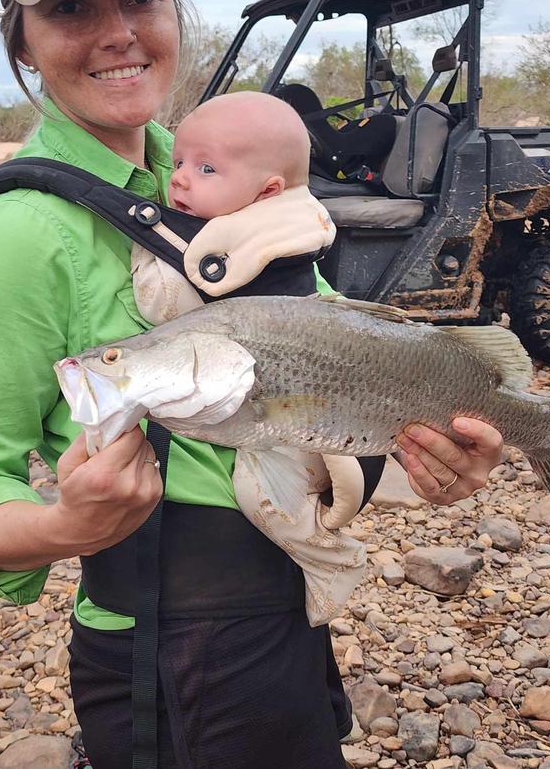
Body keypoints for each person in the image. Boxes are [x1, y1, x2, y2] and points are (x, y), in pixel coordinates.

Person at [0, 0, 505, 768]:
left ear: (174, 7)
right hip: (164, 651)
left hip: (281, 619)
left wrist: (422, 456)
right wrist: (63, 524)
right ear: (21, 40)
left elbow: (328, 364)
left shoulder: (224, 176)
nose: (118, 34)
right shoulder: (20, 237)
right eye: (71, 7)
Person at [131, 89, 371, 627]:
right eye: (179, 163)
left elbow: (169, 303)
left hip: (285, 415)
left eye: (206, 168)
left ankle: (328, 563)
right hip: (304, 393)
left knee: (266, 493)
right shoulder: (286, 227)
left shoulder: (235, 247)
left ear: (266, 192)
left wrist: (143, 253)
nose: (179, 180)